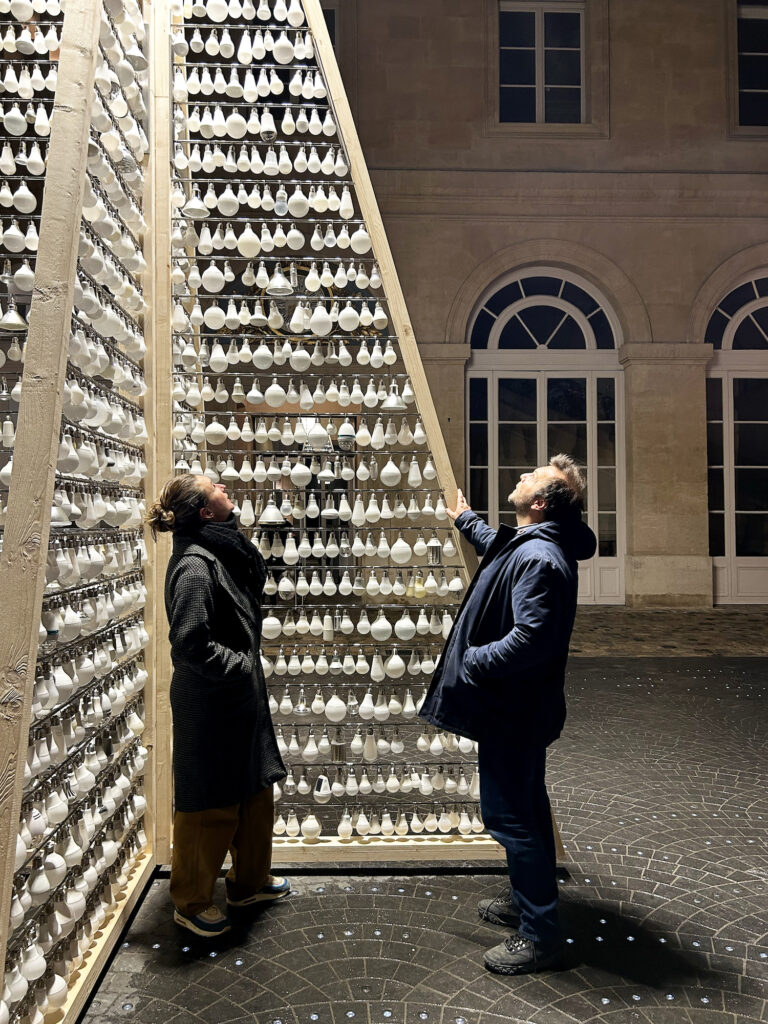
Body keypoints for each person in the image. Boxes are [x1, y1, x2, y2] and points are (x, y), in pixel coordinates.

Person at [420, 454, 596, 975]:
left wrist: (473, 658)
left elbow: (530, 639)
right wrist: (465, 520)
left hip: (513, 710)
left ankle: (539, 936)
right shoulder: (528, 545)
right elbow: (498, 546)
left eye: (533, 476)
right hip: (518, 709)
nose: (522, 475)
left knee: (511, 818)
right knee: (527, 808)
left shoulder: (540, 557)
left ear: (540, 503)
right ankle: (528, 903)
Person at [146, 474, 288, 938]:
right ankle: (191, 900)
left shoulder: (220, 551)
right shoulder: (193, 565)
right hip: (211, 700)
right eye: (218, 489)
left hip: (236, 697)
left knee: (253, 788)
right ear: (207, 512)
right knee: (208, 801)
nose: (227, 489)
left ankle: (248, 884)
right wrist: (240, 666)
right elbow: (189, 643)